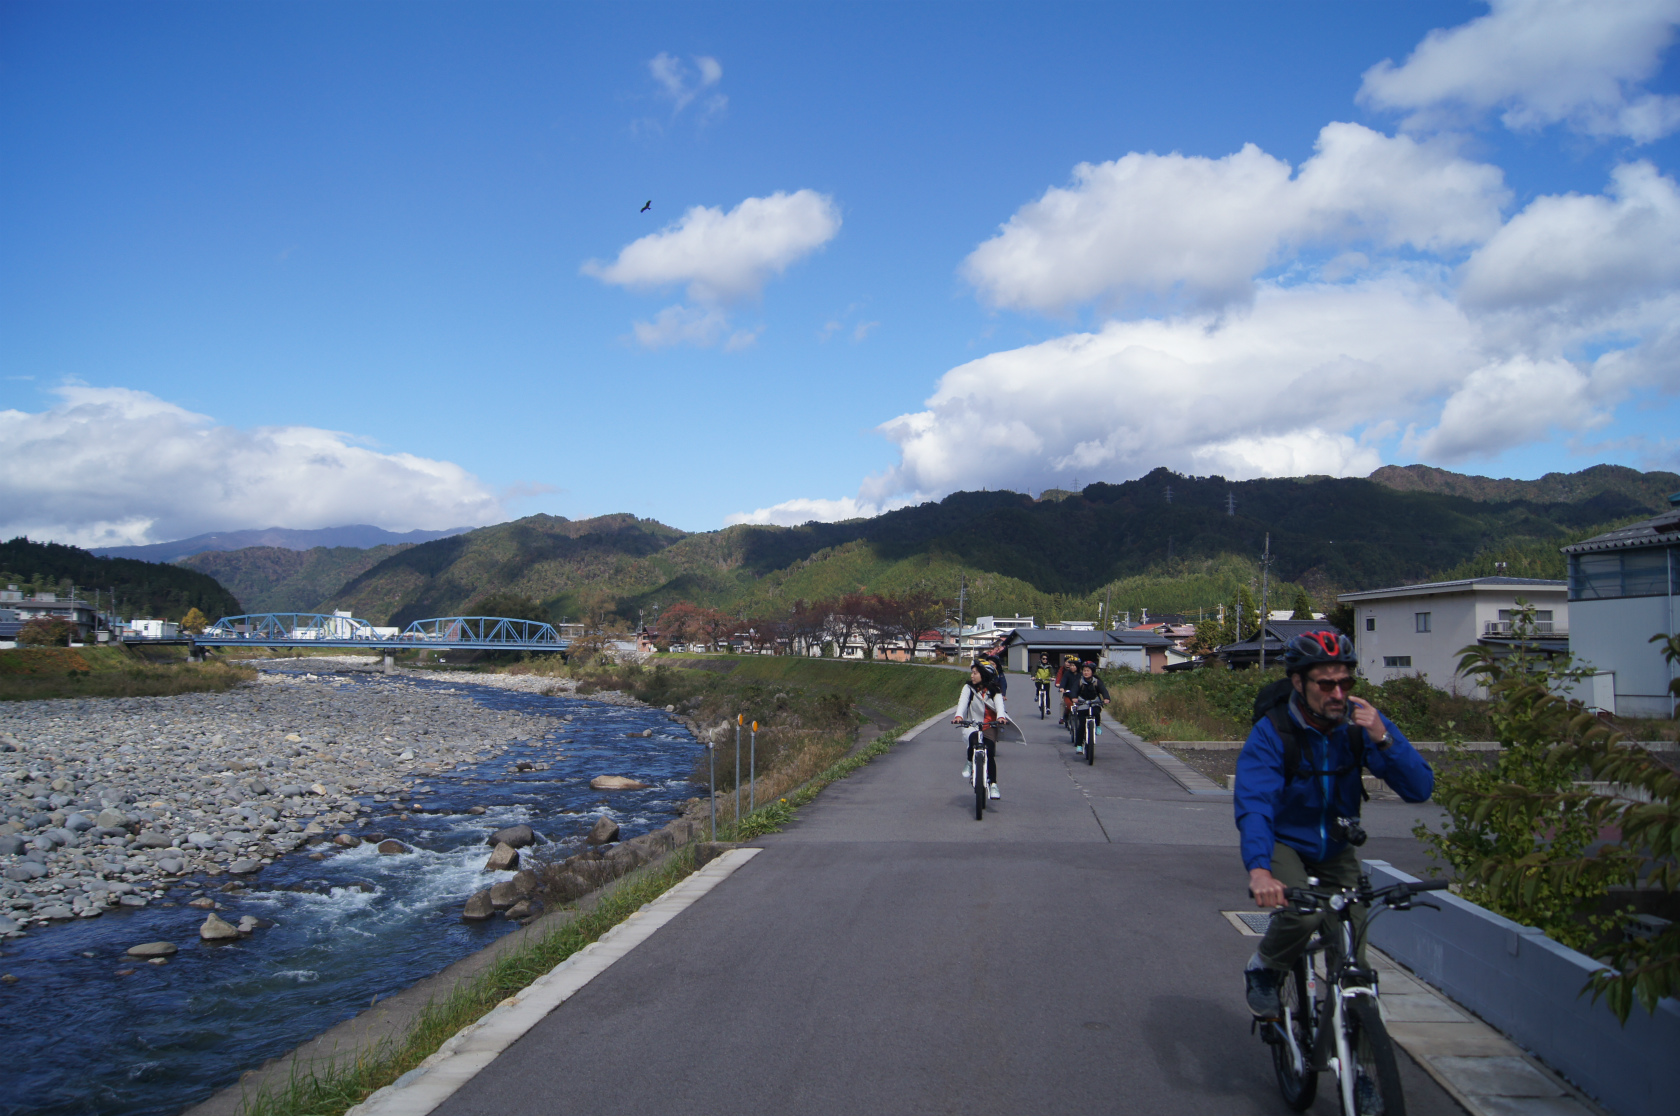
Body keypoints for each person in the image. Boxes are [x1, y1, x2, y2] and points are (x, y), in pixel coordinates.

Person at [1234, 631, 1434, 1018]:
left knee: (1354, 961)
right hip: (1285, 841)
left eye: (1345, 683)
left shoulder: (1361, 725)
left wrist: (1384, 738)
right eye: (1326, 684)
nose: (1338, 694)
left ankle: (1356, 1053)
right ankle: (1264, 967)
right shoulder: (1274, 731)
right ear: (1299, 682)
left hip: (1337, 848)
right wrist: (1259, 870)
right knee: (1303, 913)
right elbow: (1255, 804)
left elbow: (1419, 789)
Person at [953, 659, 1008, 800]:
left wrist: (1001, 717)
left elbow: (1000, 705)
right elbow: (962, 702)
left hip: (990, 725)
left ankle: (993, 784)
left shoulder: (995, 690)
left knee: (989, 753)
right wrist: (959, 716)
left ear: (984, 674)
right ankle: (969, 761)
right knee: (973, 739)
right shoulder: (969, 688)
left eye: (975, 673)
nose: (972, 676)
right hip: (973, 723)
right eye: (972, 673)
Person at [1063, 659, 1110, 754]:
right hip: (1082, 703)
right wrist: (1074, 698)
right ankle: (1079, 746)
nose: (1086, 672)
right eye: (1084, 671)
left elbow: (1103, 690)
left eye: (1088, 671)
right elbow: (1074, 690)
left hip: (1094, 702)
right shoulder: (1079, 681)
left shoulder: (1097, 681)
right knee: (1081, 725)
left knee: (1096, 712)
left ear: (1092, 672)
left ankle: (1097, 726)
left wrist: (1106, 698)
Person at [1055, 654, 1081, 725]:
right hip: (1068, 693)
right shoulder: (1066, 673)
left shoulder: (1080, 675)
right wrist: (1061, 687)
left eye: (1074, 666)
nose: (1072, 667)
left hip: (1077, 694)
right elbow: (1063, 680)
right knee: (1067, 704)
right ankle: (1064, 717)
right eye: (1071, 665)